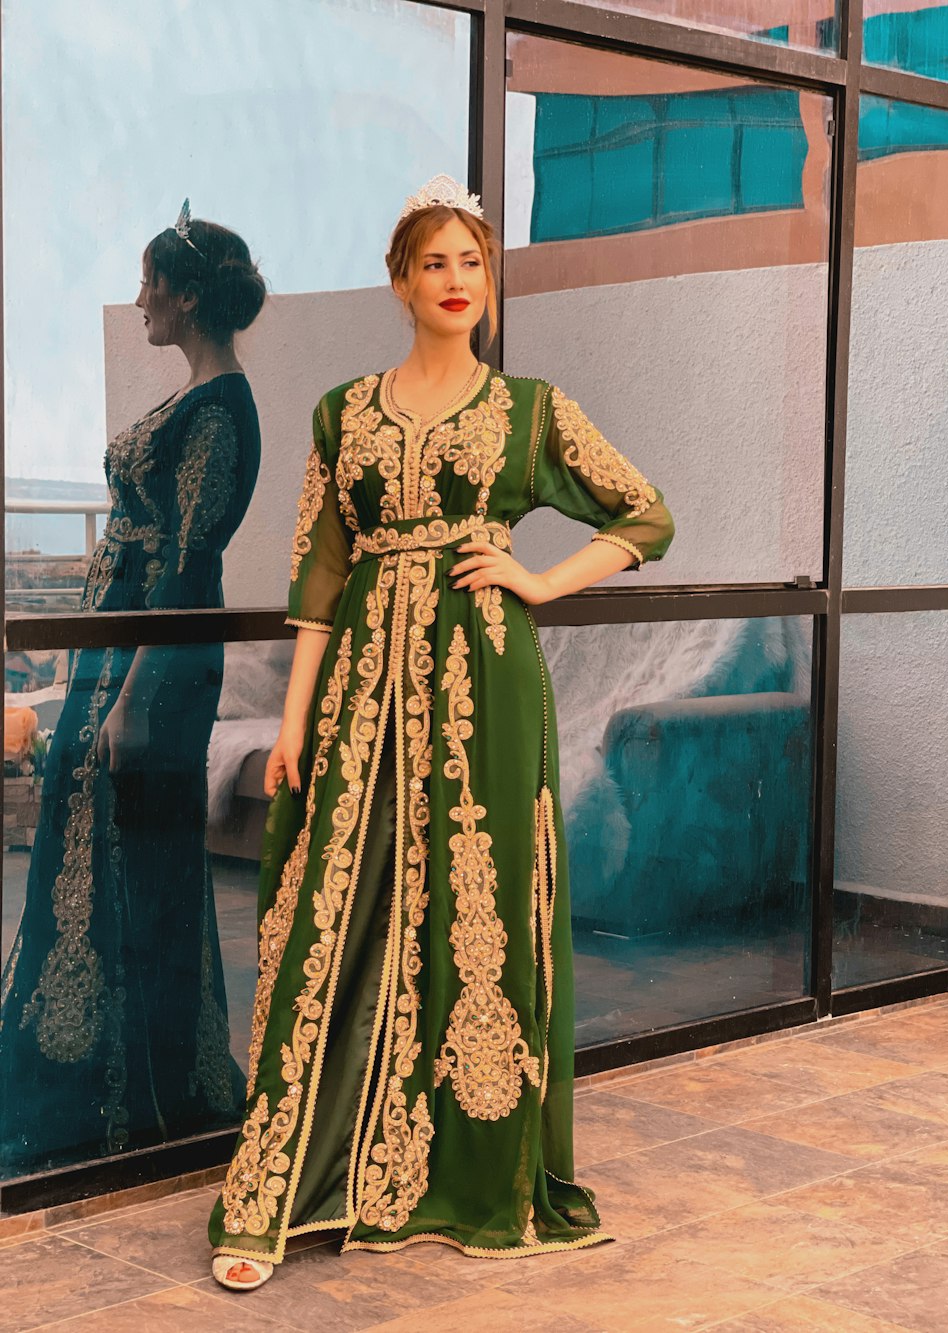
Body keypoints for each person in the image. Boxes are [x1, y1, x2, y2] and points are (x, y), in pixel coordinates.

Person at [209, 175, 674, 1289]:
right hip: (363, 687)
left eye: (471, 262)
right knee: (334, 903)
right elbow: (319, 568)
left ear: (488, 278)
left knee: (480, 912)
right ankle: (291, 1179)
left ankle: (468, 1178)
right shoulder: (342, 412)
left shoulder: (531, 410)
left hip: (487, 686)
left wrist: (540, 579)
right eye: (434, 263)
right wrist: (297, 713)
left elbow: (644, 513)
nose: (456, 281)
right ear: (400, 282)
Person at [0, 204, 265, 1173]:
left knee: (134, 862)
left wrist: (132, 703)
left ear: (188, 295)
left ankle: (133, 1094)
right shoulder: (200, 398)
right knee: (93, 849)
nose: (142, 297)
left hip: (154, 671)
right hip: (119, 661)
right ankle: (87, 1081)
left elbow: (189, 567)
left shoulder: (224, 411)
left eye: (153, 282)